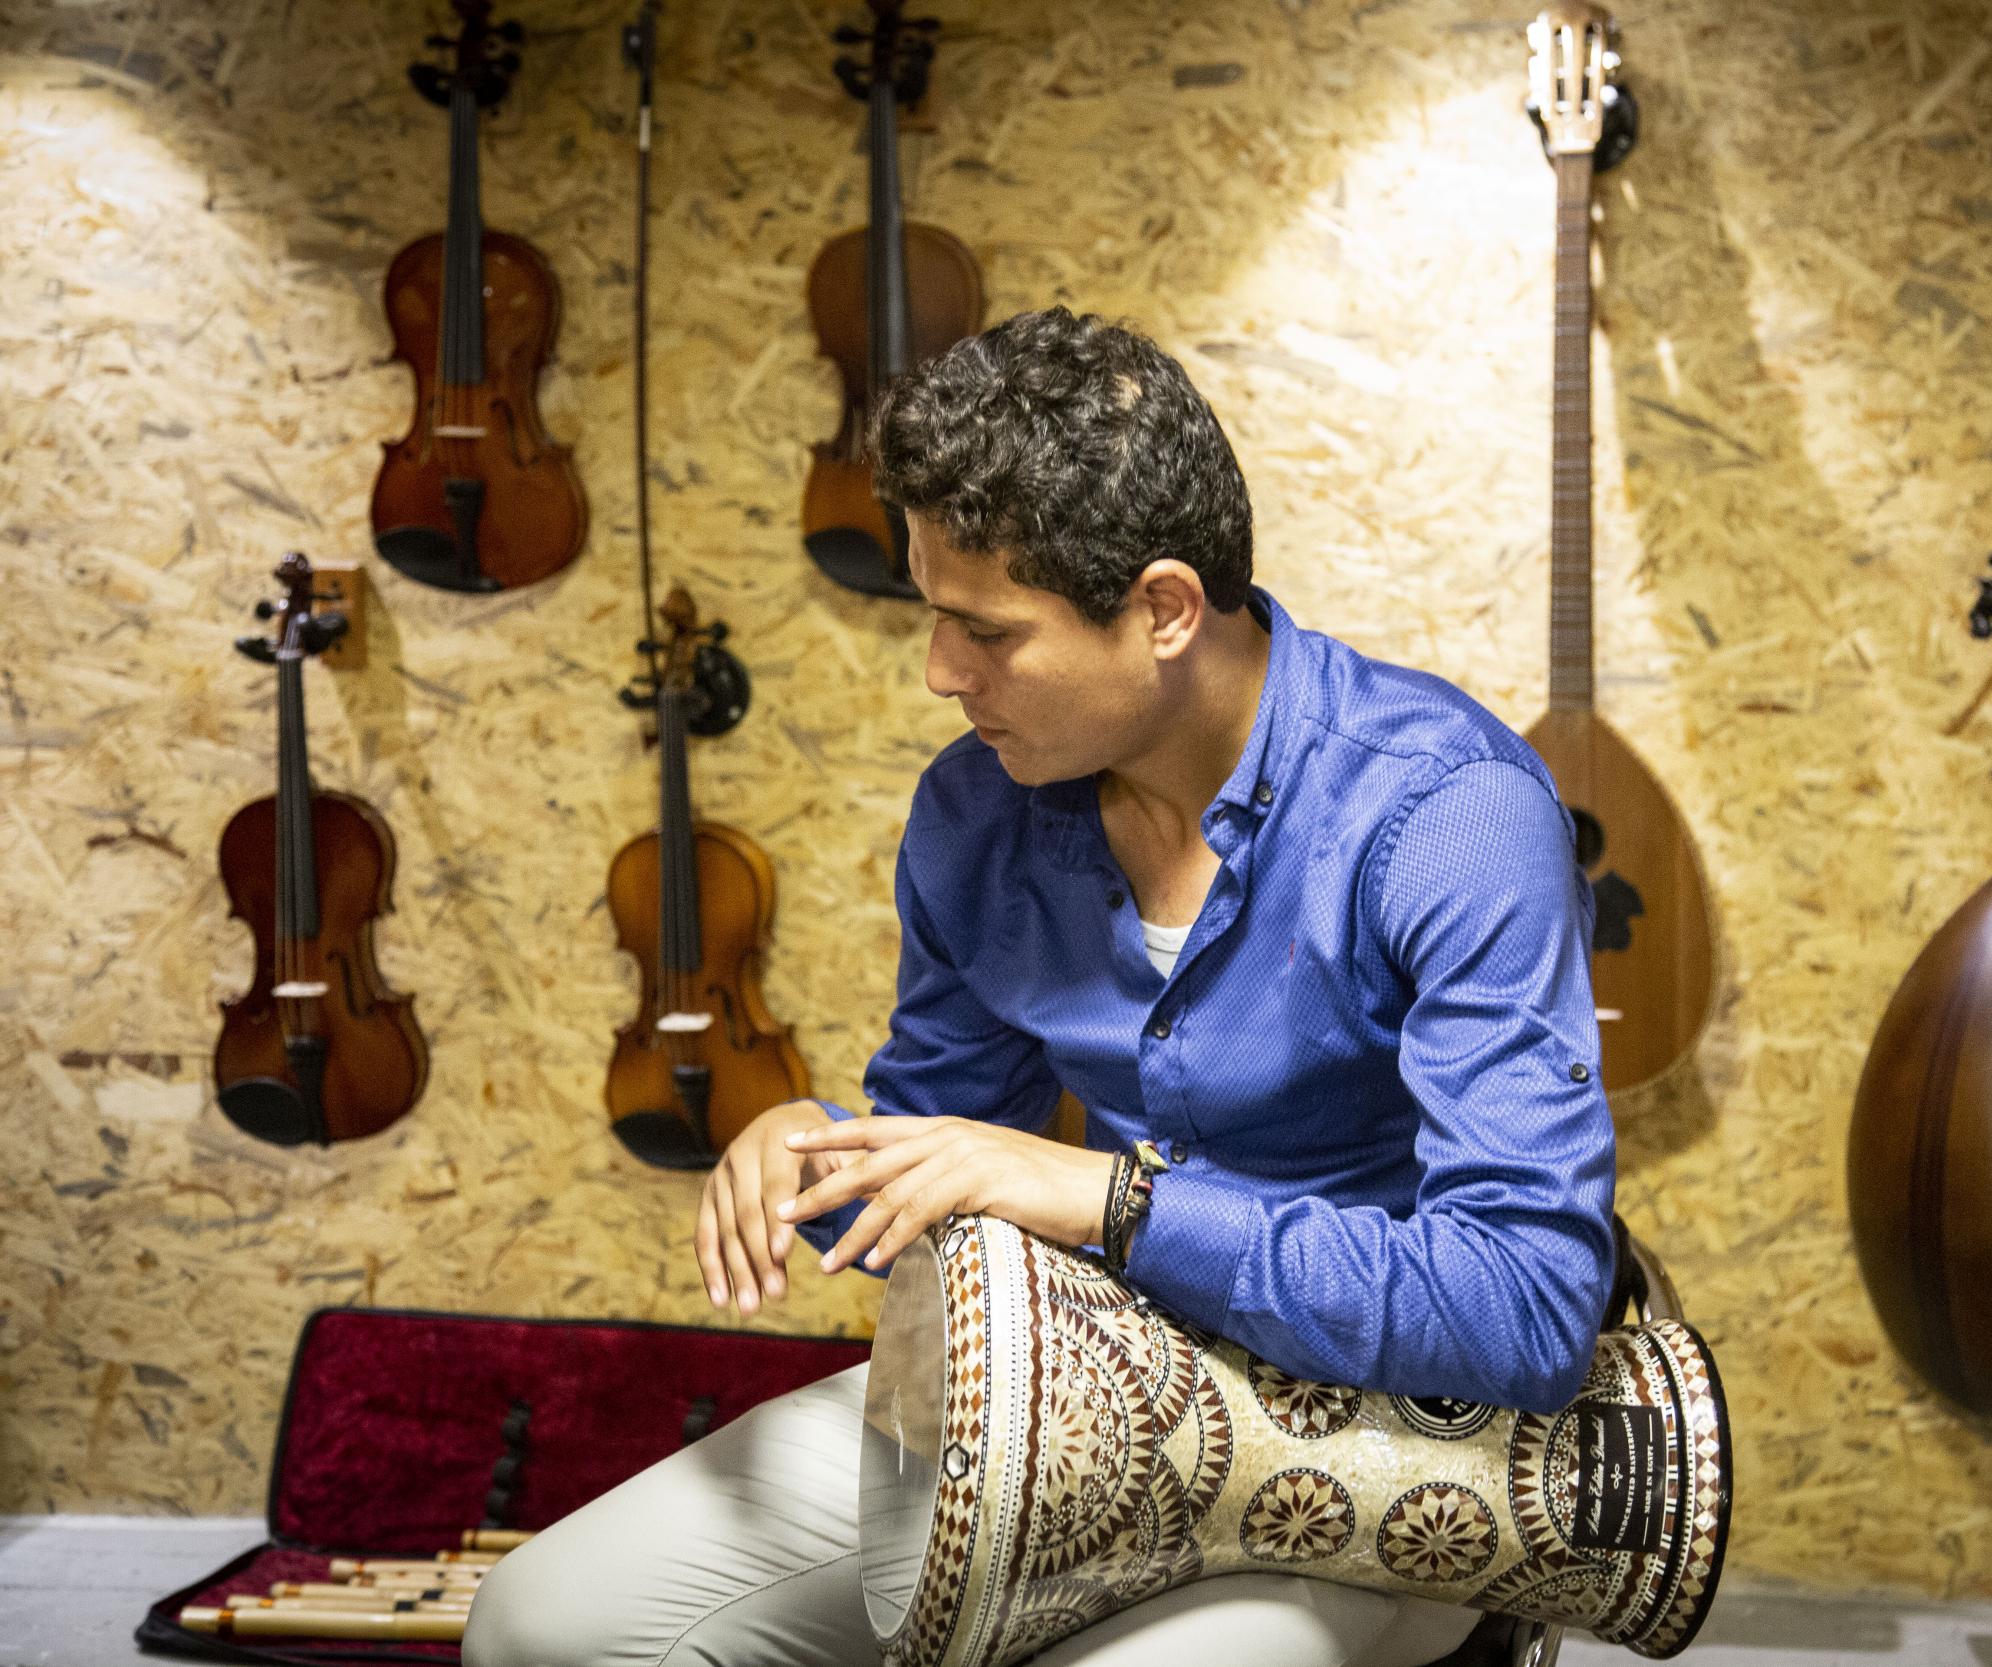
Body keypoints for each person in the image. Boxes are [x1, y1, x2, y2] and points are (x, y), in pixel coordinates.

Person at [462, 306, 1618, 1667]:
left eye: (986, 632)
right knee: (543, 1627)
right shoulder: (977, 811)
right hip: (1062, 1391)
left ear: (1165, 611)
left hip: (1377, 1444)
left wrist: (1110, 1201)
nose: (942, 674)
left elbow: (1526, 1311)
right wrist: (812, 1152)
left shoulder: (1449, 813)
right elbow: (946, 1153)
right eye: (932, 617)